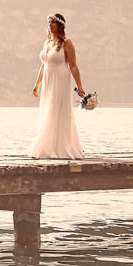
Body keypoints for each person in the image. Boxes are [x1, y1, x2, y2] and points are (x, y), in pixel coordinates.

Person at [30, 11, 85, 160]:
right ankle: (47, 147)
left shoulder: (67, 43)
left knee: (57, 110)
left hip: (60, 79)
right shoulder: (47, 43)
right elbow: (44, 65)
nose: (50, 24)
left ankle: (62, 148)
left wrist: (80, 87)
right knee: (48, 110)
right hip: (48, 80)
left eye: (53, 22)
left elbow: (73, 66)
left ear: (60, 25)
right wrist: (37, 85)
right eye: (49, 22)